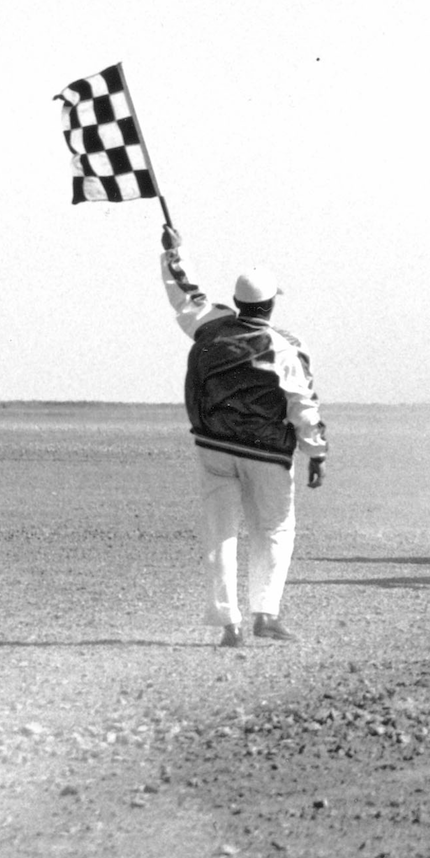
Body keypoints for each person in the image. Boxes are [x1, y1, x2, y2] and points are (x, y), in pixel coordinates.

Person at [160, 226, 328, 647]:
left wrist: (173, 252)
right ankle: (265, 613)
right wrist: (316, 452)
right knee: (273, 528)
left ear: (237, 302)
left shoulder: (209, 326)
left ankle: (228, 622)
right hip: (267, 453)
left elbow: (184, 294)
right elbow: (302, 404)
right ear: (271, 305)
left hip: (212, 446)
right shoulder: (285, 347)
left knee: (220, 531)